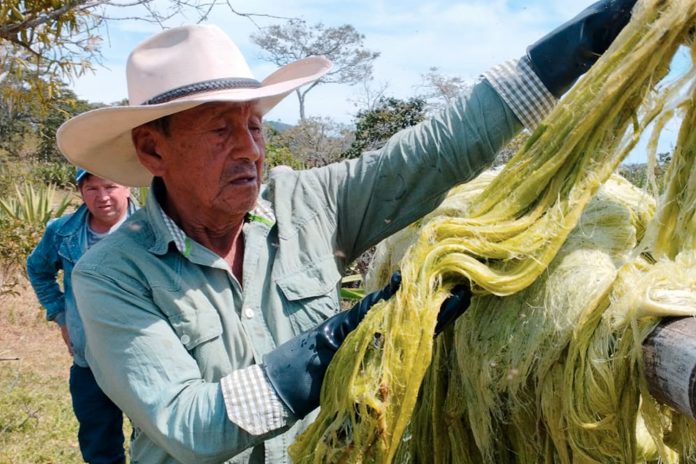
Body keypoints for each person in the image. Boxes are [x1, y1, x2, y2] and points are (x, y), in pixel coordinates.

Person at [55, 1, 637, 462]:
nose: (251, 150)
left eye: (254, 126)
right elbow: (190, 427)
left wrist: (571, 49)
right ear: (153, 148)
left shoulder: (305, 203)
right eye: (219, 130)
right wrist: (342, 342)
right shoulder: (110, 276)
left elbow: (430, 154)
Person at [26, 169, 137, 464]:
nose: (102, 197)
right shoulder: (62, 231)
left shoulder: (150, 228)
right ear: (80, 192)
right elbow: (37, 269)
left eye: (110, 186)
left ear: (127, 186)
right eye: (92, 189)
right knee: (99, 442)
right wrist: (61, 314)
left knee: (155, 441)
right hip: (89, 358)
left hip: (141, 357)